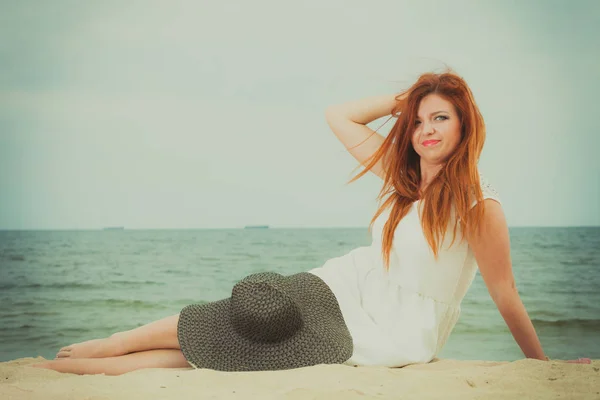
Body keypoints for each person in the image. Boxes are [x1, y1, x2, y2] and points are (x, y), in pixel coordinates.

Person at [31, 71, 590, 376]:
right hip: (343, 285)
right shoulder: (405, 184)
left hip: (390, 329)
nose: (426, 129)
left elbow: (505, 292)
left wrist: (544, 367)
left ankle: (99, 365)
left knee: (242, 351)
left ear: (465, 127)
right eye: (418, 121)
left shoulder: (479, 205)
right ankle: (112, 344)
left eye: (440, 118)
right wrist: (407, 97)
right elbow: (337, 114)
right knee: (239, 315)